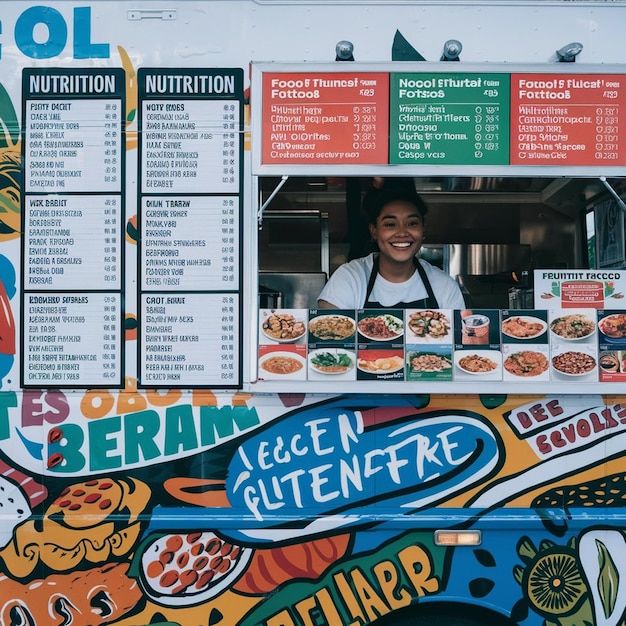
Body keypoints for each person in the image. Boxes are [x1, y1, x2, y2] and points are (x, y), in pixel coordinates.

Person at [318, 180, 466, 310]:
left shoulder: (444, 286)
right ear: (374, 231)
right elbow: (331, 333)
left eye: (412, 223)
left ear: (423, 229)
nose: (402, 232)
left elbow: (460, 337)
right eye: (390, 224)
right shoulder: (350, 278)